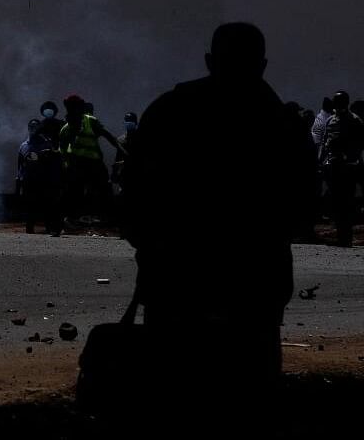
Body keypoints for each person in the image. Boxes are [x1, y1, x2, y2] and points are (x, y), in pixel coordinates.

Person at [122, 22, 317, 434]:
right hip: (254, 283)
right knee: (249, 399)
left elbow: (135, 195)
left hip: (176, 277)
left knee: (173, 398)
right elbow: (302, 206)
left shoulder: (169, 111)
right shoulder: (282, 122)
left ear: (210, 60)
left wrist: (153, 246)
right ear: (262, 65)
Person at [58, 94, 122, 226]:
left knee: (103, 190)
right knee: (74, 191)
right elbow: (63, 152)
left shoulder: (90, 121)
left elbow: (110, 137)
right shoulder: (65, 130)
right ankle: (68, 219)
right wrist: (68, 166)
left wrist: (125, 153)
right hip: (78, 164)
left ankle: (109, 218)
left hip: (94, 163)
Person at [320, 91, 363, 247]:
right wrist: (321, 162)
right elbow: (325, 142)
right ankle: (341, 236)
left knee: (346, 203)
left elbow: (359, 145)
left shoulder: (354, 121)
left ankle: (345, 238)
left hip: (347, 168)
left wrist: (349, 157)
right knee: (336, 203)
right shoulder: (331, 120)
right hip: (332, 166)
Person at [17, 119, 62, 235]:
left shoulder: (47, 144)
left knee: (47, 205)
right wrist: (19, 179)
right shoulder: (24, 146)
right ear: (28, 129)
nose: (33, 130)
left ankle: (49, 229)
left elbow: (54, 161)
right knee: (30, 207)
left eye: (36, 127)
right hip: (29, 181)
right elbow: (20, 165)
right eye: (31, 127)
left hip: (44, 180)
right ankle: (30, 230)